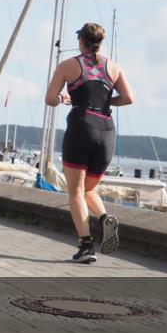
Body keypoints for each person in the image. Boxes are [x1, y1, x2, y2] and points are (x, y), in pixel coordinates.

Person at [45, 22, 134, 263]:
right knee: (88, 189)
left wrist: (66, 97)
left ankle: (86, 247)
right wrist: (106, 102)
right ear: (100, 42)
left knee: (75, 191)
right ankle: (105, 219)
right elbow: (128, 98)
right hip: (106, 130)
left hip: (82, 125)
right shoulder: (113, 67)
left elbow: (50, 99)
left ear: (81, 41)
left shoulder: (68, 66)